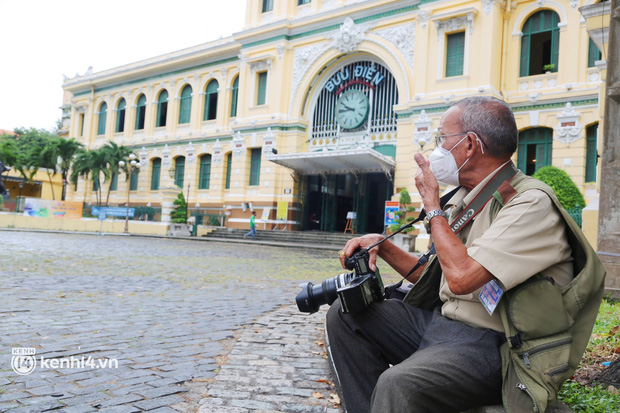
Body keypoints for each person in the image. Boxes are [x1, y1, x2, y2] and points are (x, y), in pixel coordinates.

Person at [326, 96, 578, 413]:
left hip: (494, 344)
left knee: (399, 383)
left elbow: (461, 278)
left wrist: (433, 209)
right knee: (346, 314)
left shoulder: (529, 203)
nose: (439, 149)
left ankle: (389, 401)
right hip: (443, 326)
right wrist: (384, 246)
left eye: (443, 138)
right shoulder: (467, 198)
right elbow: (438, 276)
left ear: (470, 144)